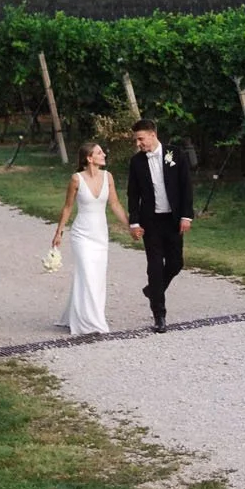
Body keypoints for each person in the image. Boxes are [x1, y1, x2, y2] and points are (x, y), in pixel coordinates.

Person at [51, 141, 132, 336]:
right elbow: (68, 207)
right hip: (82, 234)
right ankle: (91, 322)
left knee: (97, 276)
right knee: (86, 273)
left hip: (100, 235)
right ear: (89, 158)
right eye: (99, 152)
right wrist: (59, 232)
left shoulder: (108, 177)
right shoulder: (76, 179)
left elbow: (115, 204)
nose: (104, 154)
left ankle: (78, 314)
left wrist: (130, 226)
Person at [124, 118, 194, 332]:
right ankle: (159, 315)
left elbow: (186, 186)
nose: (138, 143)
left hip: (173, 219)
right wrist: (134, 222)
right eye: (136, 140)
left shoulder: (175, 154)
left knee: (176, 263)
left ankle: (153, 290)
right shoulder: (136, 162)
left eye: (141, 139)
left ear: (153, 135)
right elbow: (132, 193)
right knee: (154, 266)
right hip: (151, 221)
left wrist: (186, 216)